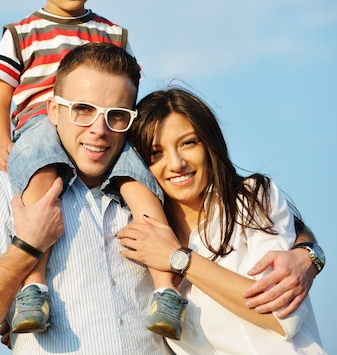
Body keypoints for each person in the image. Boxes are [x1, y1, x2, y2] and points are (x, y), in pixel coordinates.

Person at [0, 44, 317, 355]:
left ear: (130, 120)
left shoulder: (155, 203)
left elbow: (248, 216)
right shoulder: (5, 194)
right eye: (82, 110)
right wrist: (26, 248)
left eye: (115, 115)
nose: (98, 130)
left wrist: (308, 254)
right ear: (54, 110)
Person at [0, 0, 184, 338]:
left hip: (107, 131)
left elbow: (128, 94)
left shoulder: (112, 34)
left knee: (141, 184)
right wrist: (3, 143)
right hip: (42, 127)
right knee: (44, 186)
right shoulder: (22, 34)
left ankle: (166, 290)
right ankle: (33, 287)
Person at [118, 88, 326, 354]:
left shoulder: (250, 200)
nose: (176, 163)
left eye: (188, 142)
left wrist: (179, 259)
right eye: (155, 152)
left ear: (209, 144)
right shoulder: (145, 245)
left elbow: (281, 314)